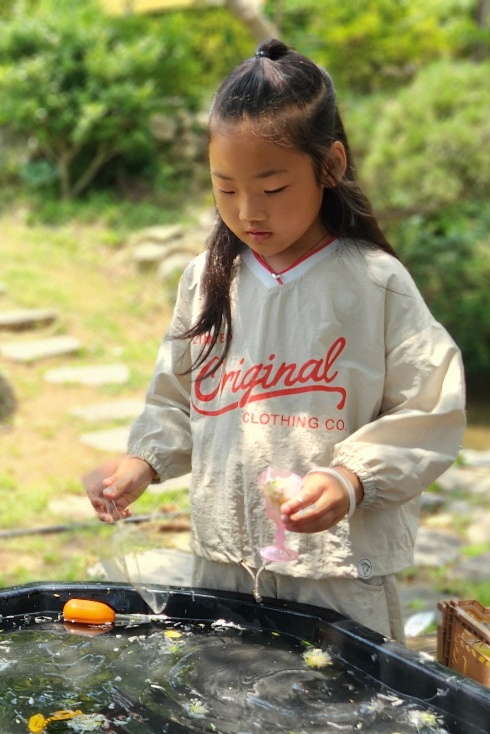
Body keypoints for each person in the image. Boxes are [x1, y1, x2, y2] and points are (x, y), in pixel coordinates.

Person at [84, 39, 465, 642]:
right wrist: (142, 461)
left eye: (273, 188)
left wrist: (352, 478)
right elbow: (176, 399)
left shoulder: (373, 283)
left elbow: (431, 405)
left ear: (330, 166)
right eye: (225, 188)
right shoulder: (205, 281)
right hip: (224, 568)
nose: (247, 211)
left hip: (336, 574)